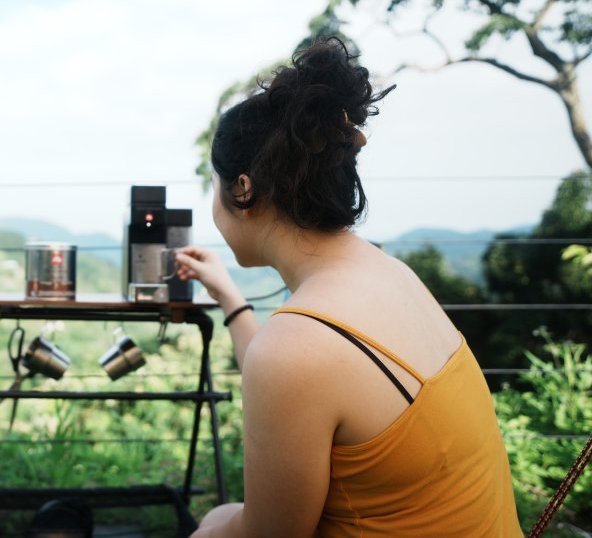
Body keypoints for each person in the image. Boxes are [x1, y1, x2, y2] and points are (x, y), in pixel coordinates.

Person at [174, 38, 523, 537]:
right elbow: (314, 378)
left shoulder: (298, 348)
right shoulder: (388, 275)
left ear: (243, 189)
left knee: (217, 520)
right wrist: (230, 297)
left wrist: (211, 526)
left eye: (213, 186)